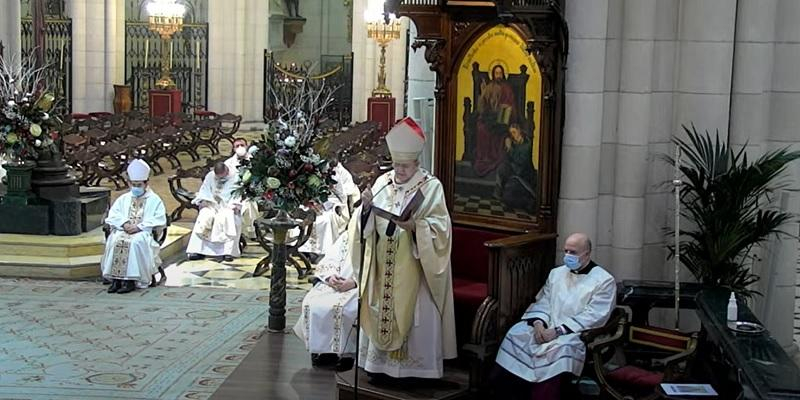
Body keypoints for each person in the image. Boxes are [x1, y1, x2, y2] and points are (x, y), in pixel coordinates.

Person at [354, 117, 457, 380]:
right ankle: (379, 368)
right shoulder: (382, 182)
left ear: (417, 163)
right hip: (383, 264)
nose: (398, 171)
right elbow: (364, 227)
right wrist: (366, 208)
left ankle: (414, 372)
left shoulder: (431, 186)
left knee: (415, 313)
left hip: (415, 267)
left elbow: (441, 229)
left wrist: (416, 228)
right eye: (396, 165)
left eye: (405, 166)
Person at [492, 233, 616, 400]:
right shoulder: (556, 273)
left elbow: (594, 315)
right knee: (516, 334)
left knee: (560, 349)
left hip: (574, 333)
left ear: (587, 253)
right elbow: (544, 301)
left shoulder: (603, 280)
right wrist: (538, 323)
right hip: (546, 326)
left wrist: (557, 331)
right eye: (566, 251)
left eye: (573, 252)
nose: (568, 256)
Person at [293, 218, 360, 371]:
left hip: (359, 287)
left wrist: (354, 282)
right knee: (313, 304)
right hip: (334, 284)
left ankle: (346, 354)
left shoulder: (376, 241)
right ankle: (322, 351)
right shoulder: (346, 237)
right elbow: (330, 259)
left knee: (345, 309)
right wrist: (330, 276)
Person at [101, 159, 167, 294]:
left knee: (135, 242)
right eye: (133, 184)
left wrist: (140, 227)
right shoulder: (124, 198)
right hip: (123, 229)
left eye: (139, 184)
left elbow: (160, 219)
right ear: (129, 183)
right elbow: (113, 215)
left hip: (143, 232)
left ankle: (130, 281)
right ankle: (116, 279)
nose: (136, 187)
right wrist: (124, 223)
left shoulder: (154, 200)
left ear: (146, 183)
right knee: (115, 240)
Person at [298, 157, 360, 260]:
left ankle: (319, 252)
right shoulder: (311, 174)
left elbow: (342, 198)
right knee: (300, 218)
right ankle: (301, 248)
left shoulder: (335, 177)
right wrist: (310, 203)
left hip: (332, 207)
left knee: (324, 220)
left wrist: (323, 205)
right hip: (312, 204)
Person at [186, 162, 243, 262]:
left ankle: (227, 252)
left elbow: (238, 194)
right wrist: (204, 200)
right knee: (204, 215)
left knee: (226, 217)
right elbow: (204, 190)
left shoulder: (236, 177)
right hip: (212, 205)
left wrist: (234, 205)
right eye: (218, 177)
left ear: (227, 171)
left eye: (222, 176)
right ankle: (198, 250)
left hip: (228, 207)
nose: (220, 179)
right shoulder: (210, 176)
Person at [473, 64, 518, 176]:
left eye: (500, 73)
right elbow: (483, 105)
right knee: (481, 128)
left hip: (503, 119)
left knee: (498, 130)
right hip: (490, 117)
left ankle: (494, 158)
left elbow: (511, 106)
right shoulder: (489, 87)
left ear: (503, 74)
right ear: (493, 74)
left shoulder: (507, 89)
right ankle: (484, 158)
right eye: (496, 73)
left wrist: (505, 109)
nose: (498, 75)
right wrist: (483, 92)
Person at [494, 123, 538, 213]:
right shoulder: (514, 142)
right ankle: (498, 193)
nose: (512, 135)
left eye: (514, 132)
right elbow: (508, 159)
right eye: (511, 133)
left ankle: (529, 203)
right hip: (514, 173)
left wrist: (510, 149)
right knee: (501, 168)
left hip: (523, 177)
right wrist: (508, 147)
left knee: (509, 197)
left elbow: (520, 161)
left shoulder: (527, 145)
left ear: (519, 131)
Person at [225, 138, 259, 239]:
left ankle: (251, 230)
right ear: (234, 149)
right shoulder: (229, 163)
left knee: (249, 204)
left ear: (246, 146)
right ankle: (238, 232)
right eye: (237, 146)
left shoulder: (254, 160)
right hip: (233, 192)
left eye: (242, 145)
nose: (240, 147)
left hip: (251, 191)